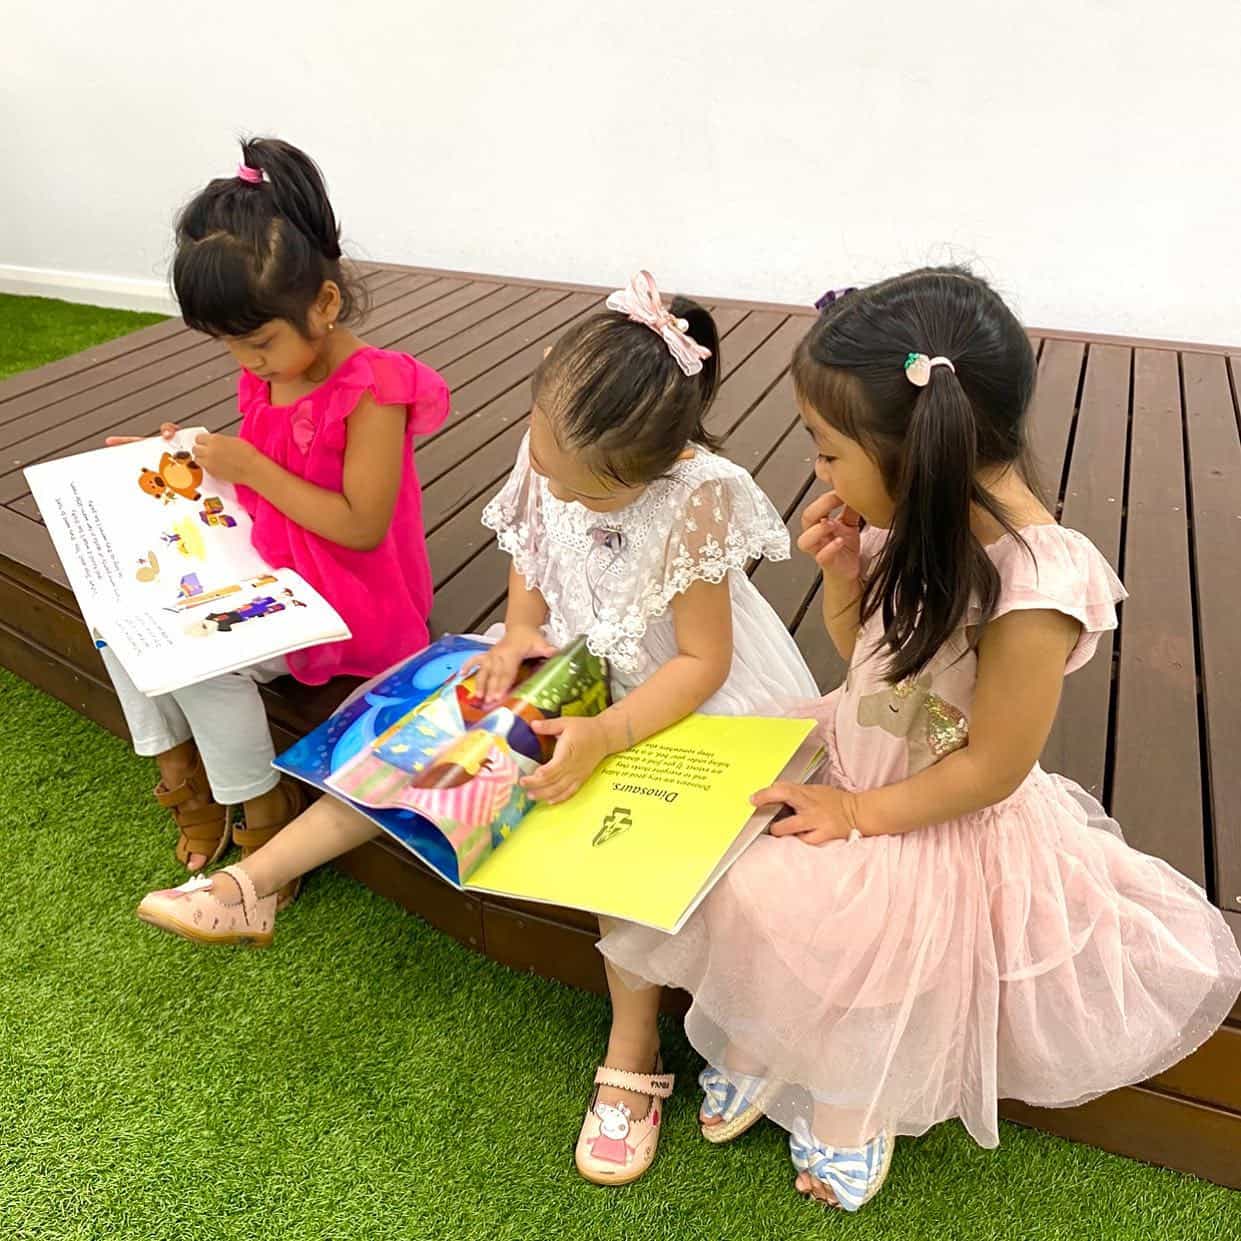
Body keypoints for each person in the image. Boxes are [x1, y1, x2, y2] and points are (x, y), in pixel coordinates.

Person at [134, 271, 818, 1190]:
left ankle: (632, 1048)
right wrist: (525, 631)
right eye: (555, 468)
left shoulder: (699, 495)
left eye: (600, 496)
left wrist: (608, 732)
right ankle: (254, 881)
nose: (568, 495)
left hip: (666, 696)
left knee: (619, 845)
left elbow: (700, 662)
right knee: (419, 752)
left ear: (663, 459)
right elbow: (533, 556)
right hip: (564, 663)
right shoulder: (555, 443)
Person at [599, 267, 1241, 1210]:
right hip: (864, 744)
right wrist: (843, 579)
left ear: (916, 450)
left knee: (867, 961)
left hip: (925, 810)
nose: (815, 473)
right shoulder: (916, 513)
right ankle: (758, 1043)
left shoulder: (1034, 587)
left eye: (826, 452)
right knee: (737, 884)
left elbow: (990, 765)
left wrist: (856, 813)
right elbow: (873, 663)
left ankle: (850, 1107)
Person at [106, 137, 448, 896]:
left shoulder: (374, 389)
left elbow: (361, 524)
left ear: (324, 304)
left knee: (199, 659)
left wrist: (250, 467)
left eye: (258, 342)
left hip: (352, 601)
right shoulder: (271, 371)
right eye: (230, 346)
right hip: (275, 565)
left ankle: (260, 800)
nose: (247, 363)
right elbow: (259, 472)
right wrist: (180, 461)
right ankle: (177, 767)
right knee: (123, 617)